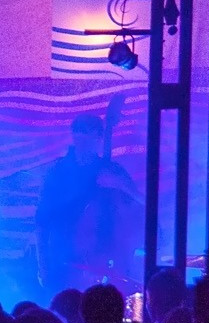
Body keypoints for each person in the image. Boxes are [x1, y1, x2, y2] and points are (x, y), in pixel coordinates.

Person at [35, 114, 141, 297]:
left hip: (106, 262)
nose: (83, 143)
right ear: (73, 136)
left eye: (90, 138)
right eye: (79, 136)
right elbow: (41, 221)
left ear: (99, 138)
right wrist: (43, 264)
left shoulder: (112, 170)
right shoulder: (58, 172)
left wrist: (122, 185)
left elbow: (144, 204)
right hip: (64, 261)